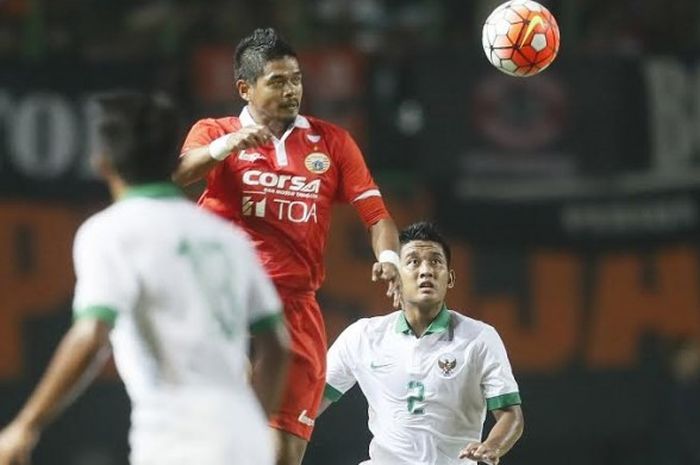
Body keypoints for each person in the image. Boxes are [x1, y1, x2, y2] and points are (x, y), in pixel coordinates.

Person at [0, 92, 290, 465]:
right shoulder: (228, 239)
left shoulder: (111, 231)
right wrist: (253, 421)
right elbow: (277, 346)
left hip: (177, 439)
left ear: (102, 163)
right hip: (247, 440)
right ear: (175, 160)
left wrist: (26, 425)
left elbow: (91, 336)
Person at [173, 27, 401, 465]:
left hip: (295, 307)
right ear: (245, 88)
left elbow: (376, 214)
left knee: (283, 456)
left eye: (295, 79)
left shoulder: (332, 142)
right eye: (277, 81)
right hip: (223, 296)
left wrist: (388, 258)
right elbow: (178, 174)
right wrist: (226, 146)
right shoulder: (214, 131)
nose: (291, 89)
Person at [321, 221, 525, 465]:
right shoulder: (363, 336)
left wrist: (492, 446)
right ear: (395, 275)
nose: (426, 270)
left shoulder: (479, 338)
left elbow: (511, 416)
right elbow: (309, 402)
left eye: (436, 261)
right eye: (413, 261)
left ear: (449, 279)